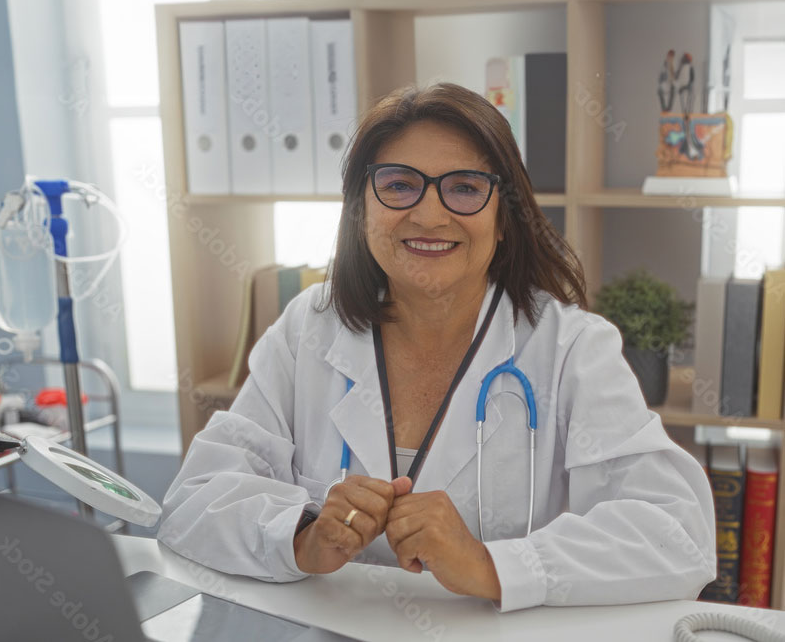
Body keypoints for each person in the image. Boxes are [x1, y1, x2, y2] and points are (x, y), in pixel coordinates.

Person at [157, 83, 716, 612]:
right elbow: (192, 503)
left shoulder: (571, 349)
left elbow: (677, 534)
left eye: (465, 187)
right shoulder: (311, 328)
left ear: (504, 220)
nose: (428, 214)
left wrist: (493, 565)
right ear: (360, 211)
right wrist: (300, 534)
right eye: (399, 185)